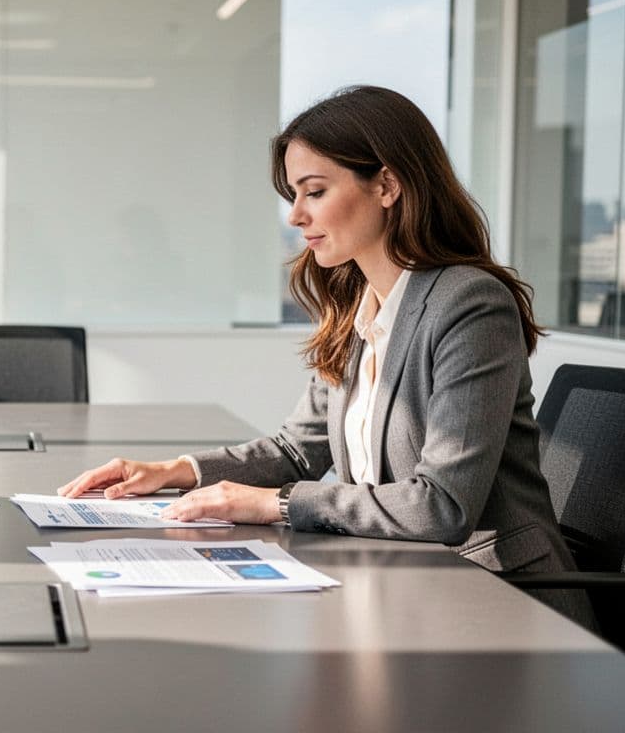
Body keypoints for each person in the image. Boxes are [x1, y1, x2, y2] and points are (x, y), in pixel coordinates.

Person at [58, 85, 591, 626]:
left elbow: (442, 507)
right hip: (401, 585)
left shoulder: (469, 305)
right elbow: (297, 450)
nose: (294, 216)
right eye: (294, 194)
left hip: (500, 606)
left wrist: (277, 504)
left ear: (387, 185)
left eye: (314, 191)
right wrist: (175, 471)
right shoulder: (360, 308)